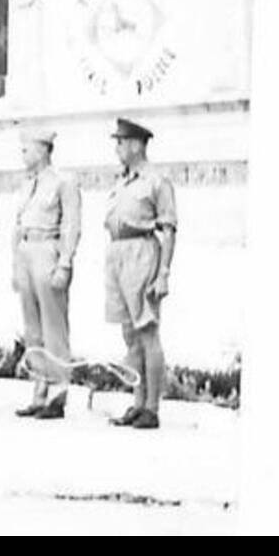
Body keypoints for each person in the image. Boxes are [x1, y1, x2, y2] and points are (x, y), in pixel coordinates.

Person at [103, 119, 177, 430]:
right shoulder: (123, 180)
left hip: (142, 253)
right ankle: (137, 402)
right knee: (129, 333)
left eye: (121, 142)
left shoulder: (156, 181)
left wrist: (163, 273)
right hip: (117, 253)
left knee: (147, 330)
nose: (117, 148)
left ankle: (152, 407)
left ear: (136, 144)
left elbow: (169, 229)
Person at [12, 128, 82, 419]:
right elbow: (17, 224)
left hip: (48, 248)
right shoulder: (26, 184)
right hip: (27, 249)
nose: (23, 154)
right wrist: (15, 264)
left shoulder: (63, 182)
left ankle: (58, 390)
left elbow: (71, 225)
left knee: (54, 325)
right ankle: (39, 387)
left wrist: (65, 262)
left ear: (42, 150)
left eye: (27, 149)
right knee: (32, 327)